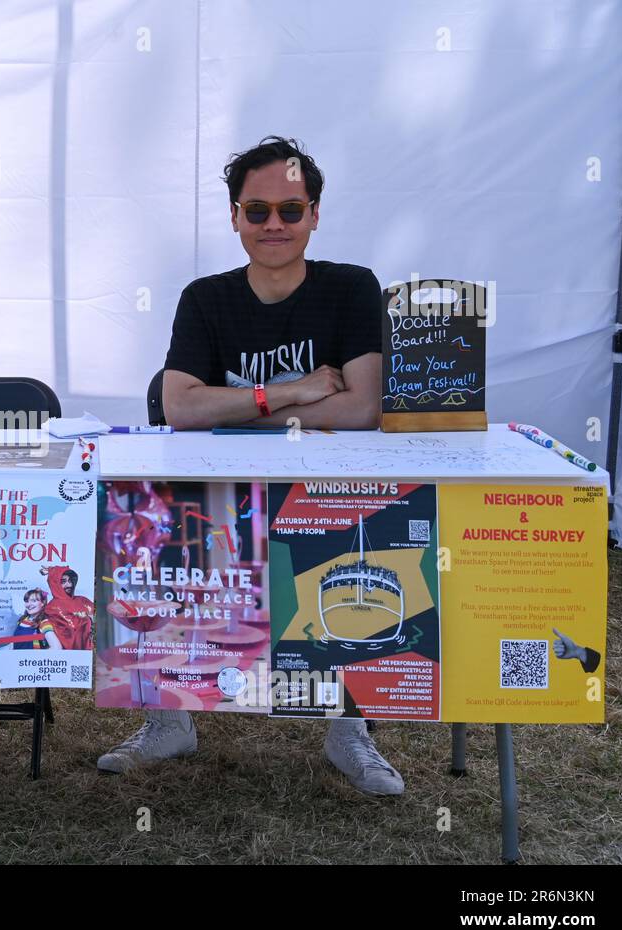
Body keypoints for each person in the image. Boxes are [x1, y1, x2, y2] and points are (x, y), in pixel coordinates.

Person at [97, 136, 404, 796]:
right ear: (235, 216)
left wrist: (231, 408)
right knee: (154, 547)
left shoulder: (351, 288)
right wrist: (289, 393)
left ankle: (348, 730)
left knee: (354, 576)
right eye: (257, 210)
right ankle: (168, 721)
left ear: (314, 215)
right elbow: (179, 406)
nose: (273, 225)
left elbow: (363, 409)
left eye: (290, 211)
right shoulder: (206, 298)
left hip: (328, 488)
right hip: (213, 486)